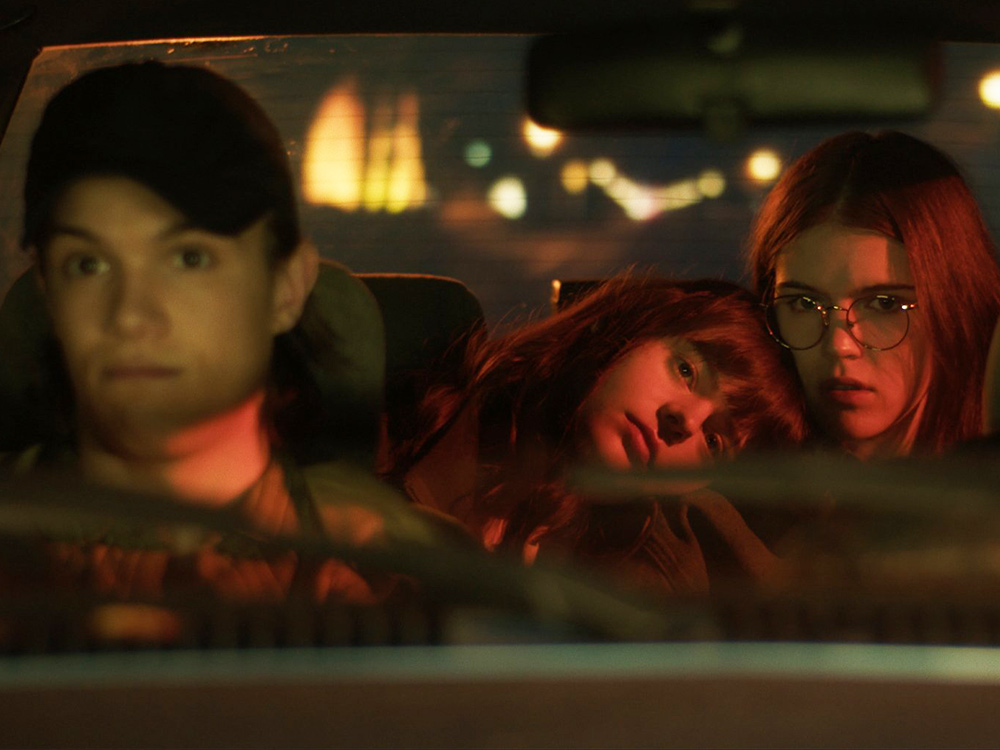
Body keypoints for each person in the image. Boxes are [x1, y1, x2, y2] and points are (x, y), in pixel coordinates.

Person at [5, 61, 435, 603]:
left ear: (286, 287)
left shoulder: (398, 563)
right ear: (48, 292)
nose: (131, 315)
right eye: (88, 264)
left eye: (189, 258)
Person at [385, 275, 810, 595]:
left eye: (715, 443)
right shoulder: (400, 428)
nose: (683, 421)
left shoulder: (650, 574)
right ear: (633, 333)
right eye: (686, 371)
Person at [747, 130, 1000, 459]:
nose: (840, 344)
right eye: (804, 303)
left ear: (952, 306)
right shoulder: (741, 482)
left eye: (885, 304)